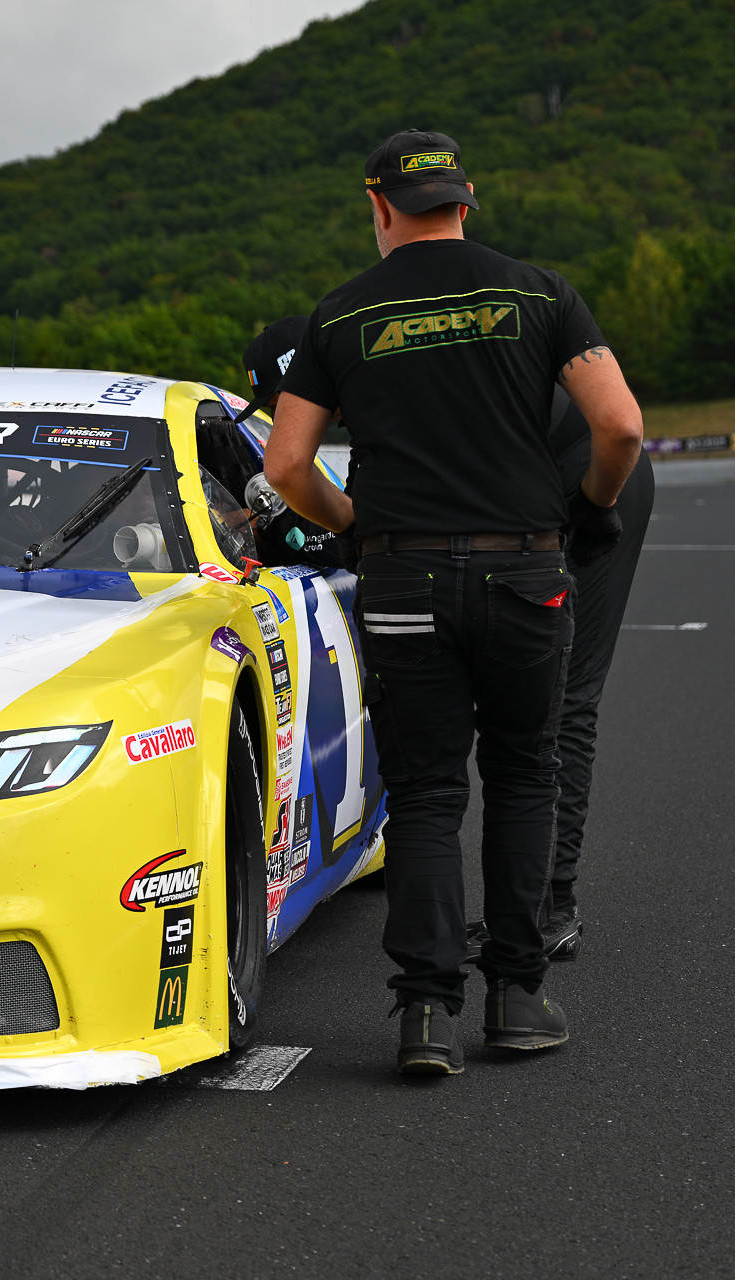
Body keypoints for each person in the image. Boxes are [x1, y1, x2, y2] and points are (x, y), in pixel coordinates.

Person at [263, 130, 643, 1076]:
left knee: (428, 794)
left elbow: (285, 465)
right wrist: (587, 509)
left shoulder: (341, 314)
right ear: (466, 200)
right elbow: (622, 425)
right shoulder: (541, 291)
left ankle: (425, 1015)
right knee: (524, 774)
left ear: (379, 206)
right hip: (526, 569)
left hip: (403, 574)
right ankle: (519, 998)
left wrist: (351, 523)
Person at [465, 389, 655, 961]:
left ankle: (554, 906)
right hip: (544, 473)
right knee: (528, 694)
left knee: (565, 696)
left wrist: (594, 508)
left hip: (589, 474)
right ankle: (528, 903)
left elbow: (621, 426)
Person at [232, 317, 345, 569]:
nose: (279, 420)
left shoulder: (379, 417)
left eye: (279, 405)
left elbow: (355, 538)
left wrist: (268, 524)